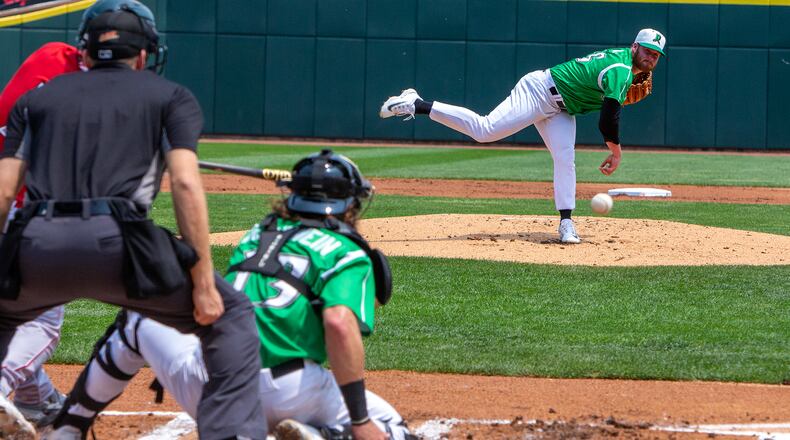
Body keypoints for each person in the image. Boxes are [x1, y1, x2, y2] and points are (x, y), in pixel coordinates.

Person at [0, 4, 266, 440]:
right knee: (232, 315)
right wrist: (200, 279)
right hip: (121, 247)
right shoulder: (170, 96)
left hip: (37, 242)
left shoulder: (37, 99)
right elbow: (184, 185)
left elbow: (5, 192)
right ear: (143, 55)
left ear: (84, 51)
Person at [68, 150, 416, 440]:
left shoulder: (255, 236)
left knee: (137, 316)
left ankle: (68, 425)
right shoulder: (347, 252)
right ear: (348, 206)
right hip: (292, 392)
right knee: (391, 430)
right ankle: (326, 434)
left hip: (211, 383)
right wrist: (359, 421)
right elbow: (339, 324)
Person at [380, 28, 667, 243]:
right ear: (634, 46)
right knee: (485, 130)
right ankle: (417, 103)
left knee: (566, 159)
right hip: (538, 92)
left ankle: (566, 223)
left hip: (563, 109)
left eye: (655, 55)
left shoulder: (623, 65)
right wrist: (616, 152)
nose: (650, 58)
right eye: (646, 51)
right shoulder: (620, 69)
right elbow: (608, 120)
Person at [0, 41, 82, 433]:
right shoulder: (87, 100)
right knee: (43, 322)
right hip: (22, 209)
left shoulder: (49, 57)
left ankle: (37, 399)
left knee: (10, 313)